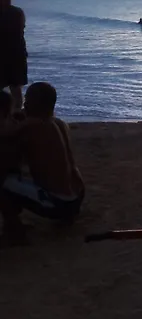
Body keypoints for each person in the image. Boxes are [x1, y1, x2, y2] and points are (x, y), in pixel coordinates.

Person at [0, 82, 85, 244]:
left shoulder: (33, 126)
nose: (24, 104)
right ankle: (67, 217)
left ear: (37, 104)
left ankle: (14, 231)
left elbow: (4, 134)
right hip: (77, 196)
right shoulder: (59, 123)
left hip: (59, 203)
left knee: (4, 182)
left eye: (28, 101)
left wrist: (8, 117)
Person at [0, 0, 28, 111]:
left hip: (8, 55)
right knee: (16, 88)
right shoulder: (18, 12)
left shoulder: (13, 13)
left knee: (14, 87)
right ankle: (16, 112)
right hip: (17, 54)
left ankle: (9, 112)